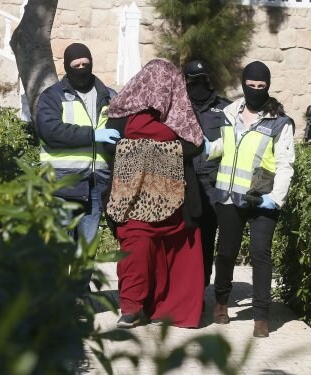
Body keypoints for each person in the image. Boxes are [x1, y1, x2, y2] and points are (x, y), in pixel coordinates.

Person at [103, 59, 205, 329]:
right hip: (131, 200)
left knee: (181, 254)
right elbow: (111, 146)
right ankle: (131, 307)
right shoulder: (120, 114)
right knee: (136, 250)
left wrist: (144, 145)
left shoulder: (179, 113)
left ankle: (170, 309)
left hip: (176, 202)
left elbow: (194, 145)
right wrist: (164, 141)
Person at [206, 61, 295, 338]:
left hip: (262, 199)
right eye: (251, 85)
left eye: (261, 86)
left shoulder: (280, 122)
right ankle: (221, 302)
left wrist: (276, 199)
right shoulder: (230, 112)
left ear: (268, 86)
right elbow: (226, 145)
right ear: (243, 84)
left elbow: (285, 164)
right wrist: (208, 148)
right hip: (230, 197)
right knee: (226, 252)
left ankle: (261, 316)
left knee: (260, 254)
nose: (256, 90)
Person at [36, 43, 119, 294]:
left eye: (86, 64)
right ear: (67, 67)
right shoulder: (53, 96)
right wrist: (94, 135)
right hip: (62, 183)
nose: (82, 69)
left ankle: (79, 294)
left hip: (96, 182)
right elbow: (50, 132)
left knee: (88, 245)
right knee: (61, 244)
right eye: (76, 66)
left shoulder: (109, 95)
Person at [183, 59, 231, 288]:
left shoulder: (225, 109)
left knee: (207, 238)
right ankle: (184, 287)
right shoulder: (177, 107)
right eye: (193, 79)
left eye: (202, 79)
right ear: (186, 80)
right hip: (184, 182)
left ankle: (201, 287)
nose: (198, 84)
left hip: (213, 184)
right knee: (183, 238)